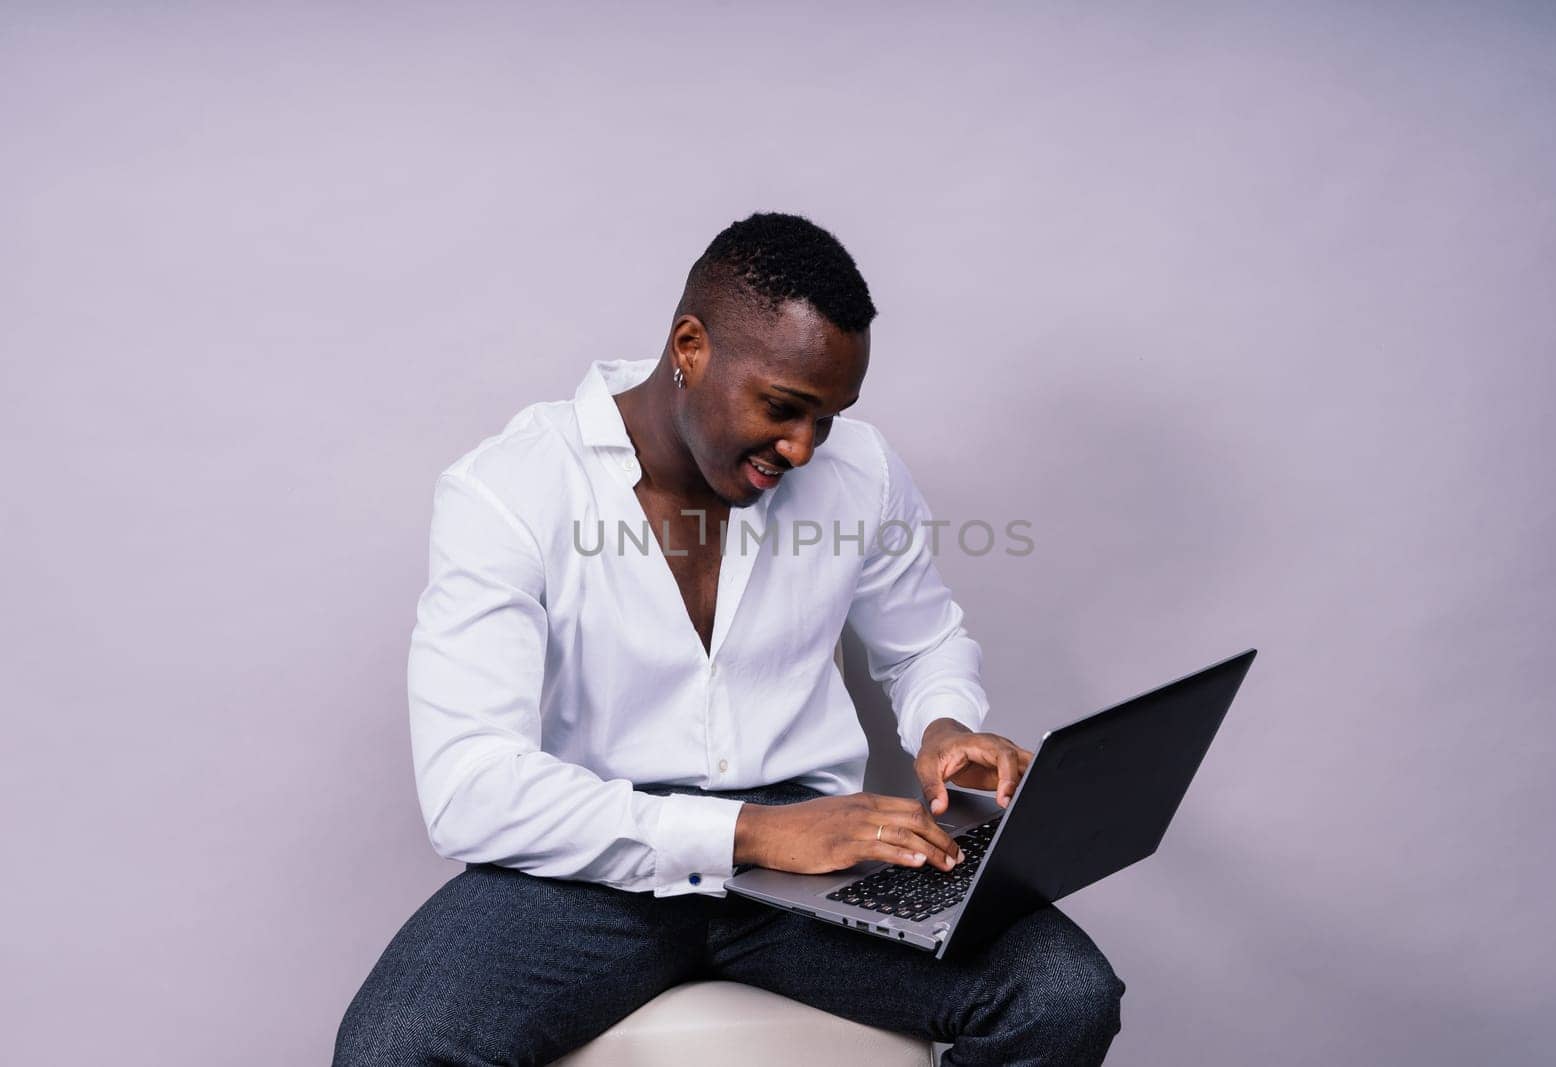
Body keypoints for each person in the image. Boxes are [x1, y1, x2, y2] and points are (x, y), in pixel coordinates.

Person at [333, 212, 1124, 1065]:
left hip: (811, 862)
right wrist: (745, 831)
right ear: (690, 345)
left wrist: (943, 724)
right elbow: (470, 786)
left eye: (829, 416)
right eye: (784, 408)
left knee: (1063, 993)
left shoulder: (861, 470)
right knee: (395, 1048)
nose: (805, 448)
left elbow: (925, 641)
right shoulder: (510, 489)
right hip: (588, 857)